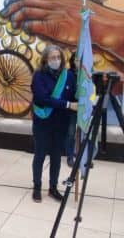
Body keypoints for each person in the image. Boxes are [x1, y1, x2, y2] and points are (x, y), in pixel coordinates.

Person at [31, 45, 77, 203]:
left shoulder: (68, 76)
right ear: (45, 59)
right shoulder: (39, 76)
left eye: (58, 57)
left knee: (56, 157)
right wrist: (67, 105)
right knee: (40, 155)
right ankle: (37, 187)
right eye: (52, 58)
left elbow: (74, 95)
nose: (56, 60)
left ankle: (53, 188)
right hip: (42, 122)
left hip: (61, 124)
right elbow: (42, 99)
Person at [65, 52, 78, 167]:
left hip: (85, 109)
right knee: (71, 133)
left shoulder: (88, 74)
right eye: (76, 60)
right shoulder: (69, 74)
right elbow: (67, 92)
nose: (78, 62)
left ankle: (84, 158)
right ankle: (70, 156)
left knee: (85, 134)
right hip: (72, 109)